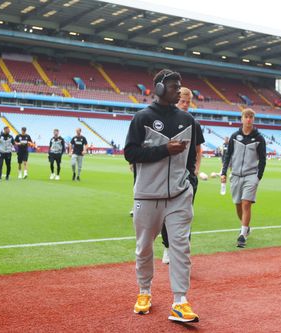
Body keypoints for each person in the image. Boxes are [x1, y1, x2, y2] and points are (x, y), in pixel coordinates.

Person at [124, 69, 199, 323]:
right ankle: (144, 291)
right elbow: (131, 154)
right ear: (158, 89)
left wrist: (190, 179)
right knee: (144, 248)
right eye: (173, 86)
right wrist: (164, 150)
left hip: (179, 195)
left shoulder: (188, 120)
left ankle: (180, 301)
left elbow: (191, 158)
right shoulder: (141, 118)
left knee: (180, 247)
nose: (179, 90)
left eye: (180, 86)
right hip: (147, 196)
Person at [160, 86, 205, 264]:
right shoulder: (165, 121)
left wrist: (196, 169)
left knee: (186, 215)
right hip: (167, 175)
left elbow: (198, 149)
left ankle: (183, 251)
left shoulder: (194, 123)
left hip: (187, 176)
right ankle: (167, 247)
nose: (185, 105)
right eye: (182, 101)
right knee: (164, 214)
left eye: (188, 101)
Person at [220, 108, 266, 248]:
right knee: (238, 205)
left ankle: (242, 235)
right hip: (235, 175)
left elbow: (263, 160)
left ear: (253, 119)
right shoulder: (234, 136)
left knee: (246, 204)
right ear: (242, 119)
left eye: (251, 117)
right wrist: (223, 173)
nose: (248, 119)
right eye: (246, 116)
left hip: (251, 176)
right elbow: (228, 156)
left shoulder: (259, 138)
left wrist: (258, 177)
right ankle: (246, 227)